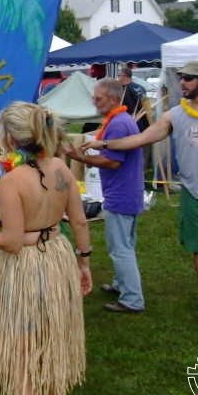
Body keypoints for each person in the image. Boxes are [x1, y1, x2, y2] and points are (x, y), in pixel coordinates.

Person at [83, 60, 198, 325]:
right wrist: (105, 142)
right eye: (181, 78)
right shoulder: (174, 115)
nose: (182, 83)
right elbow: (143, 138)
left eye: (187, 78)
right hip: (193, 194)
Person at [0, 101, 92, 395]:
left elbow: (12, 242)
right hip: (59, 259)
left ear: (9, 137)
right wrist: (85, 262)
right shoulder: (62, 168)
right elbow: (79, 222)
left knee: (22, 365)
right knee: (53, 357)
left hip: (24, 270)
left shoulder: (12, 180)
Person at [66, 79, 146, 313]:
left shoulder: (119, 124)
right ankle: (122, 285)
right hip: (127, 192)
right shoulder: (121, 120)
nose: (94, 101)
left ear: (113, 100)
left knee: (120, 248)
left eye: (98, 98)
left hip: (121, 195)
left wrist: (78, 157)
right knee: (125, 244)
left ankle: (132, 299)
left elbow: (111, 162)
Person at [118, 66, 149, 132]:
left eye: (119, 76)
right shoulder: (141, 87)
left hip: (133, 122)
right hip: (144, 121)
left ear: (124, 76)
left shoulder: (126, 90)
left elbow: (126, 109)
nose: (118, 78)